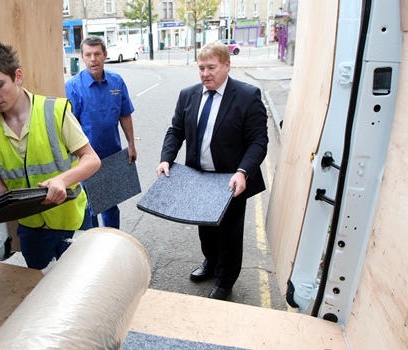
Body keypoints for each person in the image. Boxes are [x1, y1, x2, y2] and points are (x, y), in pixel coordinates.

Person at [0, 41, 101, 270]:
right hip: (32, 228)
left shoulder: (54, 111)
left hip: (71, 220)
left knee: (82, 286)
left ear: (18, 76)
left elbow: (91, 159)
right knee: (40, 290)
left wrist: (62, 180)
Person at [156, 41, 268, 301]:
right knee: (206, 229)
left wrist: (243, 172)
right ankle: (211, 262)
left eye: (211, 67)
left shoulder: (247, 95)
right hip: (199, 179)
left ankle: (225, 280)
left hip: (230, 181)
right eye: (201, 68)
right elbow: (176, 130)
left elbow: (258, 142)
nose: (205, 73)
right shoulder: (188, 95)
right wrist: (166, 158)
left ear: (227, 65)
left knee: (229, 233)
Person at [65, 36, 137, 230]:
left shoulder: (116, 82)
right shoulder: (73, 87)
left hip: (111, 155)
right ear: (82, 57)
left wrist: (131, 145)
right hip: (86, 158)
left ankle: (112, 242)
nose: (93, 59)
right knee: (90, 208)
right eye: (88, 55)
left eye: (97, 54)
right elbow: (69, 127)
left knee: (110, 205)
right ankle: (93, 247)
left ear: (105, 55)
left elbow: (125, 115)